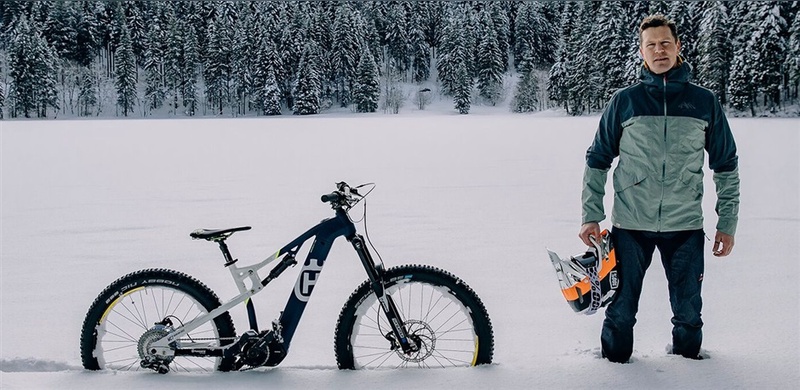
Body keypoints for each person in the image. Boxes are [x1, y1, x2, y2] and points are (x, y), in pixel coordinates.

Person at [578, 14, 740, 363]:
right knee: (620, 313)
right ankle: (613, 372)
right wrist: (591, 215)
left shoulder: (704, 101)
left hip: (685, 227)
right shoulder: (625, 101)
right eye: (651, 45)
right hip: (630, 226)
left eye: (665, 42)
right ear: (641, 51)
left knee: (689, 315)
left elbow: (725, 165)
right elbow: (597, 159)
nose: (659, 50)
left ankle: (691, 377)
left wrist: (727, 224)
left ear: (678, 46)